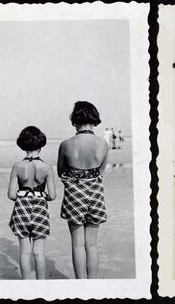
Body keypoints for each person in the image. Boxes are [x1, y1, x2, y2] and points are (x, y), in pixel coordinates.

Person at [57, 101, 109, 279]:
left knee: (77, 244)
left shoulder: (66, 145)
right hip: (95, 192)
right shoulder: (103, 144)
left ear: (74, 119)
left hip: (73, 193)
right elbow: (101, 173)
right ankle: (92, 285)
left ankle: (80, 285)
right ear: (94, 119)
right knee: (92, 245)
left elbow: (60, 171)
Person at [7, 126, 56, 279]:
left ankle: (26, 285)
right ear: (40, 144)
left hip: (21, 207)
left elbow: (11, 194)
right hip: (40, 208)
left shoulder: (17, 167)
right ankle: (41, 285)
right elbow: (53, 196)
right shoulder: (46, 167)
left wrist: (24, 197)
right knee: (39, 252)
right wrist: (41, 197)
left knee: (24, 252)